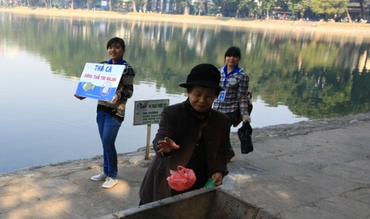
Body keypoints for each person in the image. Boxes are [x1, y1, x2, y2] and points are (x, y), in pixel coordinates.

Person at [139, 64, 230, 205]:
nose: (202, 100)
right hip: (168, 180)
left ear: (216, 96)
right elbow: (161, 137)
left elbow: (222, 152)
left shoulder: (222, 121)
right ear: (188, 92)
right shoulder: (172, 113)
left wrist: (219, 171)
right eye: (198, 94)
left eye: (209, 96)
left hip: (200, 183)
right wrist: (165, 148)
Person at [75, 37, 135, 189]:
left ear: (123, 50)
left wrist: (118, 96)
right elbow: (94, 85)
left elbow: (129, 91)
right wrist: (84, 93)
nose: (113, 50)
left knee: (108, 142)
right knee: (104, 143)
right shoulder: (102, 66)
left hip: (116, 111)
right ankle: (106, 172)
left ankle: (113, 176)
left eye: (117, 47)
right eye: (110, 47)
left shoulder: (127, 69)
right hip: (101, 109)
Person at [212, 46, 250, 160]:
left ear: (239, 58)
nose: (231, 58)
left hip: (230, 110)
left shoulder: (242, 76)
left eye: (235, 56)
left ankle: (222, 155)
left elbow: (242, 97)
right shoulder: (219, 72)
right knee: (221, 132)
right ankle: (228, 152)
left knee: (220, 131)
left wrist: (244, 114)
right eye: (229, 56)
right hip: (217, 107)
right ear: (225, 57)